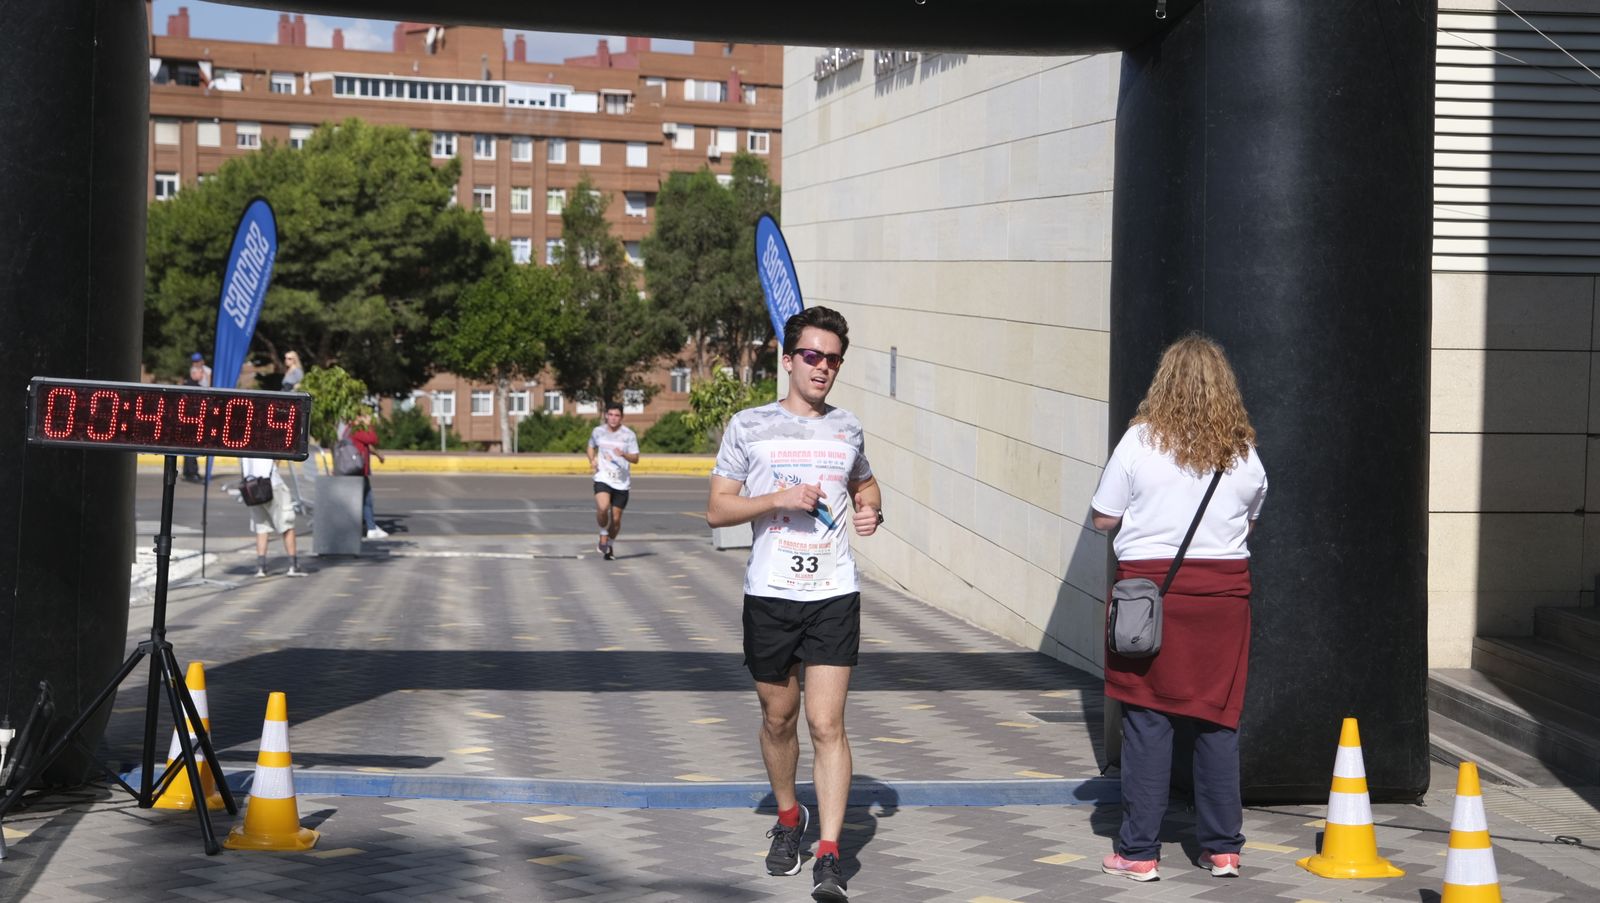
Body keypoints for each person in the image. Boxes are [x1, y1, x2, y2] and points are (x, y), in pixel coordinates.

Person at [707, 306, 882, 903]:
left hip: (833, 593)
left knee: (826, 724)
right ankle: (789, 818)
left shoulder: (847, 428)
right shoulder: (749, 425)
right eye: (812, 356)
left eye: (833, 359)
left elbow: (865, 484)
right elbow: (718, 509)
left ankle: (829, 854)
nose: (822, 367)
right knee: (779, 719)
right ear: (788, 360)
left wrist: (871, 510)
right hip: (771, 595)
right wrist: (777, 498)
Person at [1090, 334, 1268, 882]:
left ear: (1163, 383)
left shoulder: (1139, 441)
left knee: (1147, 719)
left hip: (1150, 597)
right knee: (1218, 719)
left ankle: (1139, 853)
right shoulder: (1243, 452)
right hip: (1223, 601)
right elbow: (1249, 523)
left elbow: (1103, 517)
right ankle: (1223, 849)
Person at [586, 403, 639, 560]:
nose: (613, 418)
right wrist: (592, 460)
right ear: (606, 415)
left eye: (617, 415)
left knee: (616, 519)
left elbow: (636, 458)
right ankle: (603, 533)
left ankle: (609, 545)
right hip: (603, 477)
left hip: (621, 482)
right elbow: (590, 447)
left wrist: (624, 454)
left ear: (621, 417)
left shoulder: (629, 435)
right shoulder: (598, 431)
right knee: (603, 507)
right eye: (610, 415)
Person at [240, 456, 307, 578]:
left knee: (261, 527)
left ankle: (261, 567)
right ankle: (293, 565)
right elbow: (278, 457)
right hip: (272, 483)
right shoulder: (268, 443)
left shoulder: (243, 444)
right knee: (286, 524)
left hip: (251, 485)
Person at [345, 412, 388, 539]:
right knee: (366, 499)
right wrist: (369, 425)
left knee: (365, 499)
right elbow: (373, 439)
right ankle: (371, 528)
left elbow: (367, 444)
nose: (366, 418)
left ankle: (368, 525)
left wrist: (378, 455)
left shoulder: (351, 429)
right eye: (363, 416)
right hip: (358, 470)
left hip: (357, 470)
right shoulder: (356, 430)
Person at [181, 352, 211, 483]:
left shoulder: (185, 386)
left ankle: (188, 472)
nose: (202, 375)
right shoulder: (196, 388)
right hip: (193, 422)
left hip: (186, 421)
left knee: (187, 448)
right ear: (193, 374)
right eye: (200, 373)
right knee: (192, 449)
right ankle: (192, 473)